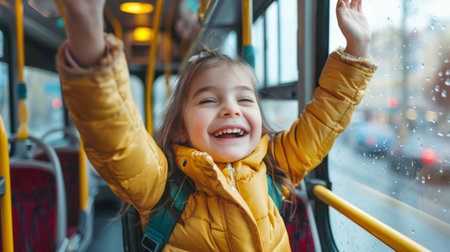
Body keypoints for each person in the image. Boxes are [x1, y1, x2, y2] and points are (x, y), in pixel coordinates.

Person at [56, 0, 377, 250]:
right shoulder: (161, 185)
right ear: (180, 129)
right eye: (209, 101)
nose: (230, 109)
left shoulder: (276, 167)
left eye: (245, 100)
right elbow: (115, 138)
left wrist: (356, 49)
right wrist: (87, 33)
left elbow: (324, 118)